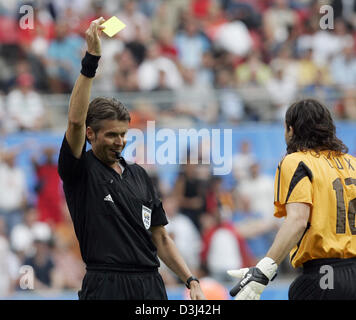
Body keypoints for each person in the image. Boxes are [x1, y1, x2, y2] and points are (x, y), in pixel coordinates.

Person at [57, 17, 205, 300]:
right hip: (105, 285)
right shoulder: (79, 170)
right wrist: (91, 60)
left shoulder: (139, 175)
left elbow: (160, 237)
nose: (120, 141)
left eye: (123, 134)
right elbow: (74, 121)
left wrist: (191, 279)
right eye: (112, 135)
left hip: (150, 286)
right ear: (91, 134)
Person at [228, 98, 356, 300]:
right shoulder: (352, 163)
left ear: (291, 129)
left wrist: (264, 268)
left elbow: (297, 219)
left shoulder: (295, 161)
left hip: (325, 275)